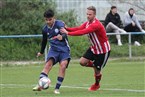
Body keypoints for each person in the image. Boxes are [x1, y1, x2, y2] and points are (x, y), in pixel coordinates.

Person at [61, 6, 111, 91]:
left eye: (90, 14)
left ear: (94, 15)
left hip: (103, 51)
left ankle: (96, 84)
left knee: (97, 71)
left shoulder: (96, 24)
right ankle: (95, 65)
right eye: (87, 14)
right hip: (94, 48)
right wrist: (67, 28)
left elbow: (83, 32)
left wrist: (68, 33)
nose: (88, 16)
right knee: (82, 62)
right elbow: (79, 28)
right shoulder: (87, 23)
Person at [33, 9, 71, 94]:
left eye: (50, 19)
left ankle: (56, 89)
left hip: (64, 49)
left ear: (53, 18)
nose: (48, 21)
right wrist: (41, 52)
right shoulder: (45, 29)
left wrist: (63, 37)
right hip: (53, 50)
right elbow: (44, 41)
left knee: (63, 66)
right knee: (47, 65)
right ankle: (40, 85)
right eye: (46, 20)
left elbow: (65, 33)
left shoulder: (59, 24)